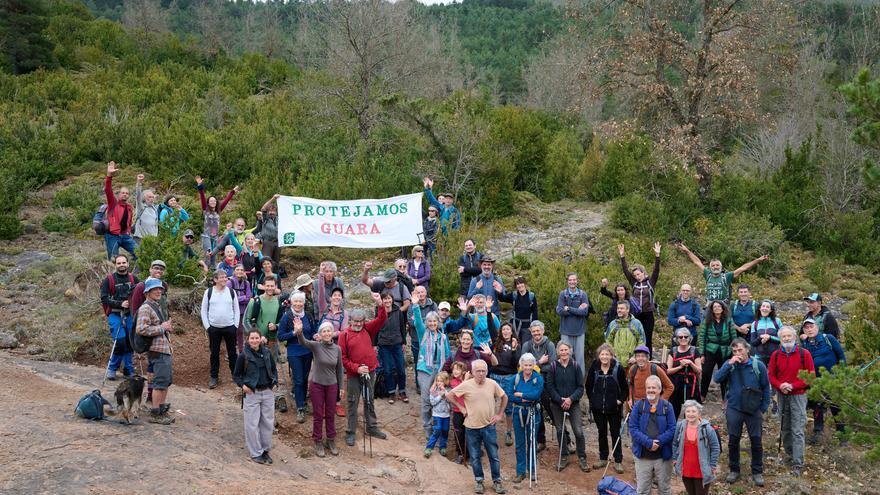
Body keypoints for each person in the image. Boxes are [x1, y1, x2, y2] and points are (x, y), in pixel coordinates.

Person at [712, 338, 770, 487]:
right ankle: (734, 470)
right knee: (733, 441)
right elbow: (717, 378)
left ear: (747, 349)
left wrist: (763, 408)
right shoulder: (730, 365)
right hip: (734, 408)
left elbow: (766, 387)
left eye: (740, 350)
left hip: (754, 409)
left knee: (756, 441)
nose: (738, 353)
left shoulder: (758, 365)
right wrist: (729, 364)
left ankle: (757, 471)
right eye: (734, 351)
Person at [447, 360, 508, 495]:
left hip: (489, 426)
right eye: (478, 371)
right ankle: (479, 481)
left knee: (494, 456)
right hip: (471, 427)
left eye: (483, 371)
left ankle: (497, 481)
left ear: (487, 371)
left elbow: (504, 397)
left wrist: (499, 414)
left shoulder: (492, 383)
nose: (481, 373)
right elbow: (449, 395)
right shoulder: (466, 384)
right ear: (472, 372)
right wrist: (461, 408)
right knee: (475, 457)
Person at [339, 293, 388, 447]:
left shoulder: (368, 329)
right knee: (352, 402)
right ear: (350, 321)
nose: (359, 324)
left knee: (369, 399)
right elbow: (343, 358)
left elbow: (381, 319)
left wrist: (380, 304)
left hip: (370, 371)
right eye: (356, 321)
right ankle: (350, 432)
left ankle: (371, 427)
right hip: (354, 374)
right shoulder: (344, 335)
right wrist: (357, 368)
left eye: (361, 321)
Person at [768, 326, 815, 477]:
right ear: (780, 339)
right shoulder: (776, 355)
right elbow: (771, 375)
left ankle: (798, 462)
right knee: (785, 427)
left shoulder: (804, 354)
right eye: (784, 336)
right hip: (782, 395)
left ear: (794, 337)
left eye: (789, 336)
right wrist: (780, 385)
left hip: (798, 395)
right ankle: (789, 455)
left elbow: (811, 376)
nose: (787, 339)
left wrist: (793, 386)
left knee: (797, 429)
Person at [295, 320, 344, 457]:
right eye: (324, 331)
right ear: (320, 334)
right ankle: (317, 440)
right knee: (318, 414)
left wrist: (341, 387)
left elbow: (340, 369)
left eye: (329, 331)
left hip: (332, 385)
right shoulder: (316, 346)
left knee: (330, 414)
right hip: (317, 385)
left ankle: (330, 439)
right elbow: (303, 342)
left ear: (332, 333)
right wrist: (299, 332)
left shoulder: (337, 349)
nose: (327, 333)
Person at [232, 329, 278, 464]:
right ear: (247, 339)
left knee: (267, 423)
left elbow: (273, 369)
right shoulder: (244, 355)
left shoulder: (267, 352)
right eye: (252, 338)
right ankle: (256, 453)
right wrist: (243, 386)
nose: (254, 340)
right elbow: (236, 375)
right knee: (252, 424)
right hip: (252, 393)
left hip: (267, 392)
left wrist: (274, 381)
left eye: (256, 338)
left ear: (260, 339)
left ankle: (265, 450)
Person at [801, 317, 846, 445]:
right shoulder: (805, 344)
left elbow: (841, 356)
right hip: (815, 382)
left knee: (836, 407)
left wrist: (843, 375)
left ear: (817, 327)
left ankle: (842, 435)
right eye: (806, 328)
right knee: (817, 407)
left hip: (833, 380)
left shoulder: (828, 338)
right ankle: (818, 432)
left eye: (811, 327)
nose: (809, 330)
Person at [135, 277, 175, 424]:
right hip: (157, 350)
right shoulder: (146, 308)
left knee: (165, 381)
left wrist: (165, 327)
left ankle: (161, 410)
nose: (159, 291)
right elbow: (141, 329)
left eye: (160, 289)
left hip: (163, 349)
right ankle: (155, 413)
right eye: (155, 289)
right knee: (160, 382)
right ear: (147, 292)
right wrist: (162, 328)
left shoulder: (155, 306)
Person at [412, 295, 452, 440]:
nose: (432, 323)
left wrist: (446, 372)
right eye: (429, 321)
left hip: (439, 370)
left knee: (439, 397)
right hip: (425, 370)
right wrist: (415, 306)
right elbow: (417, 321)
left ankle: (438, 428)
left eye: (435, 321)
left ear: (438, 322)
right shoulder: (423, 333)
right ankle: (428, 428)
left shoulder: (443, 337)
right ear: (427, 323)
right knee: (426, 399)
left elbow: (448, 355)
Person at [629, 375, 677, 495]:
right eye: (648, 388)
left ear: (660, 390)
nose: (651, 390)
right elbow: (633, 428)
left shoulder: (667, 407)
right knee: (642, 490)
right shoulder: (639, 406)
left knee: (664, 489)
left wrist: (658, 442)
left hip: (663, 456)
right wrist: (648, 442)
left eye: (654, 388)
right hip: (643, 456)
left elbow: (672, 429)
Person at [675, 242, 768, 303]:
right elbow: (697, 262)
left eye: (717, 265)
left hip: (723, 306)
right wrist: (687, 251)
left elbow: (743, 268)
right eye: (713, 265)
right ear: (710, 267)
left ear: (721, 267)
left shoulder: (727, 276)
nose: (715, 267)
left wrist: (758, 260)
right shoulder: (707, 274)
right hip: (710, 306)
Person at [128, 260, 167, 404]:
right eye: (156, 268)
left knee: (155, 364)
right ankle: (151, 395)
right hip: (148, 332)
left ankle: (152, 395)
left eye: (161, 269)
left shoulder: (163, 286)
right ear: (150, 269)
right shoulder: (141, 286)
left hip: (161, 329)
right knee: (152, 363)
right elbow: (135, 310)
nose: (159, 271)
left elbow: (163, 307)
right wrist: (138, 335)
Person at [546, 342, 588, 472]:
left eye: (566, 350)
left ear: (570, 351)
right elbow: (550, 386)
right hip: (557, 404)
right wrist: (560, 400)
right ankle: (564, 456)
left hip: (573, 403)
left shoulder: (575, 366)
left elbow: (580, 387)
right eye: (561, 350)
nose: (564, 352)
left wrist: (570, 399)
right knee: (560, 431)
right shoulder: (553, 366)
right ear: (558, 352)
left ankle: (582, 457)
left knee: (578, 431)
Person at [586, 344, 627, 473]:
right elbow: (588, 385)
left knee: (615, 433)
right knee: (601, 432)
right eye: (602, 354)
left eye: (607, 354)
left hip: (614, 408)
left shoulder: (618, 368)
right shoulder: (594, 367)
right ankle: (603, 458)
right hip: (598, 408)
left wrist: (620, 400)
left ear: (611, 355)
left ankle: (618, 460)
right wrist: (593, 400)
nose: (604, 357)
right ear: (599, 356)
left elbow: (624, 388)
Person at [277, 292, 316, 423]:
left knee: (305, 378)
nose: (298, 304)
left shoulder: (308, 316)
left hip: (308, 351)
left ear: (303, 303)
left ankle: (303, 401)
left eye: (300, 301)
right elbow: (280, 336)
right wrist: (294, 333)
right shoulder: (287, 317)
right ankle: (300, 408)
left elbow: (312, 331)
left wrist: (316, 336)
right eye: (296, 301)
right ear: (291, 303)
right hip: (294, 352)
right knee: (298, 380)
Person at [100, 254, 139, 380]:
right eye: (119, 263)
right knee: (120, 341)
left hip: (130, 314)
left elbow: (140, 294)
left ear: (128, 264)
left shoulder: (134, 279)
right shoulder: (109, 280)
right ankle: (112, 368)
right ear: (115, 265)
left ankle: (128, 369)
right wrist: (120, 303)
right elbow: (104, 298)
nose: (121, 265)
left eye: (123, 263)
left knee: (130, 342)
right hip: (115, 314)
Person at [201, 270, 240, 389]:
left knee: (232, 353)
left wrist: (235, 326)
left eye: (225, 277)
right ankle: (214, 377)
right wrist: (208, 327)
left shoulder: (231, 292)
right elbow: (203, 310)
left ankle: (235, 375)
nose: (224, 279)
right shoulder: (209, 292)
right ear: (215, 279)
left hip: (230, 327)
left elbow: (236, 310)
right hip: (214, 328)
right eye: (221, 277)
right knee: (214, 353)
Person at [619, 242, 661, 351]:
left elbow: (656, 270)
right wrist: (622, 256)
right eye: (635, 275)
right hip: (636, 314)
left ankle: (648, 358)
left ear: (643, 273)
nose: (637, 277)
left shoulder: (650, 282)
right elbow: (625, 271)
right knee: (636, 337)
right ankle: (636, 357)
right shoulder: (634, 283)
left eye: (638, 274)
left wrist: (657, 256)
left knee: (647, 338)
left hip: (648, 314)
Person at [520, 320, 556, 452]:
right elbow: (523, 366)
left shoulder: (549, 345)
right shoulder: (527, 345)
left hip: (546, 381)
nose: (536, 333)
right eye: (534, 331)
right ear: (530, 332)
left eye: (538, 331)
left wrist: (533, 366)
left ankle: (566, 439)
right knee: (536, 410)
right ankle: (541, 441)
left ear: (543, 331)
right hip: (531, 382)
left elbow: (552, 365)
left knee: (552, 410)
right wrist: (540, 362)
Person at [672, 401, 720, 495]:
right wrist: (675, 459)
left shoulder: (707, 428)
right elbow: (674, 443)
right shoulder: (680, 426)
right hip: (686, 470)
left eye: (693, 411)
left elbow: (715, 447)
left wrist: (713, 465)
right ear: (685, 413)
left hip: (702, 470)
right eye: (688, 411)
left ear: (699, 413)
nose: (690, 414)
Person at [510, 353, 543, 484]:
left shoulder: (538, 378)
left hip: (533, 411)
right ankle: (520, 472)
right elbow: (509, 395)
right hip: (518, 412)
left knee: (532, 441)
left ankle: (532, 470)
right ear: (521, 365)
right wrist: (524, 398)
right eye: (525, 365)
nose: (528, 368)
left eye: (530, 365)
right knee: (519, 443)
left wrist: (521, 394)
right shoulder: (515, 378)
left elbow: (536, 395)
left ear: (534, 365)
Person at [195, 175, 238, 268]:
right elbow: (202, 197)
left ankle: (213, 273)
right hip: (206, 236)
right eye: (211, 201)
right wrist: (200, 186)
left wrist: (232, 192)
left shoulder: (218, 210)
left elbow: (226, 200)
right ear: (208, 202)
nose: (213, 202)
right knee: (208, 254)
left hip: (215, 237)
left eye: (214, 201)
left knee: (213, 257)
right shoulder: (205, 210)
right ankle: (205, 271)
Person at [698, 300, 737, 400]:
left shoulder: (728, 320)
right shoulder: (707, 320)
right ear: (711, 309)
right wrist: (702, 354)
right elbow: (702, 337)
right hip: (710, 350)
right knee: (706, 373)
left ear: (723, 308)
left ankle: (725, 398)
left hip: (725, 351)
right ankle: (702, 395)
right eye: (714, 307)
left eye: (719, 306)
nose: (717, 308)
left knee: (725, 374)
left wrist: (734, 352)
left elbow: (733, 337)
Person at [489, 323, 519, 447]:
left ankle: (508, 432)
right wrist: (489, 313)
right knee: (490, 403)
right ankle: (490, 430)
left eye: (508, 329)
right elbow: (491, 328)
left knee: (508, 406)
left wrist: (514, 349)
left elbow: (516, 363)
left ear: (511, 331)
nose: (506, 331)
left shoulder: (515, 344)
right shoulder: (496, 343)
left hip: (509, 377)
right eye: (504, 329)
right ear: (501, 331)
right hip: (494, 376)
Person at [375, 292, 408, 405]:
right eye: (385, 299)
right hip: (384, 345)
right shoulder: (378, 311)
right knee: (388, 370)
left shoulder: (398, 311)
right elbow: (376, 328)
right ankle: (391, 392)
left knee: (401, 369)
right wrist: (375, 344)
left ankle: (402, 391)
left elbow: (402, 327)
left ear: (392, 300)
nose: (387, 301)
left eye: (389, 298)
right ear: (382, 300)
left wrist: (404, 342)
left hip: (397, 343)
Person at [555, 272, 592, 369]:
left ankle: (580, 378)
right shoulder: (563, 294)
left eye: (574, 280)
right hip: (565, 331)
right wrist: (577, 310)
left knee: (580, 359)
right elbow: (560, 311)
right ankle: (566, 378)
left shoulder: (583, 294)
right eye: (570, 280)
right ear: (567, 281)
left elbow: (584, 312)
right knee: (566, 357)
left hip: (579, 331)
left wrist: (569, 309)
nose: (572, 282)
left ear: (577, 281)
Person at [361, 263, 412, 331]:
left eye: (388, 281)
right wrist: (366, 270)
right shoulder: (380, 283)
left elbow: (407, 304)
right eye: (384, 280)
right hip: (381, 316)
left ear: (395, 279)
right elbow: (365, 281)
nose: (385, 283)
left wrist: (395, 312)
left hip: (397, 318)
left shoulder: (402, 288)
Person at [103, 161, 137, 261]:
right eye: (123, 193)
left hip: (125, 236)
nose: (125, 195)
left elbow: (129, 222)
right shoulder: (113, 203)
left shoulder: (129, 207)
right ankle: (113, 271)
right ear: (119, 194)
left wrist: (128, 231)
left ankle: (134, 268)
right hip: (112, 235)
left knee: (140, 253)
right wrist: (109, 176)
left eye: (127, 193)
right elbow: (108, 190)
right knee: (114, 259)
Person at [666, 328, 703, 420]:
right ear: (677, 339)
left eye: (686, 337)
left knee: (691, 410)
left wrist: (691, 363)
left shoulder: (694, 351)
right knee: (674, 409)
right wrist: (680, 367)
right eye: (680, 337)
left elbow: (699, 370)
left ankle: (690, 427)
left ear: (689, 338)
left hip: (691, 385)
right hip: (676, 384)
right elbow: (668, 370)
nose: (683, 338)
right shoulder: (673, 351)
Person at [408, 285, 438, 394]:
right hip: (417, 339)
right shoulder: (412, 306)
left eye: (422, 292)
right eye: (418, 292)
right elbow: (412, 323)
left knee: (432, 363)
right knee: (418, 363)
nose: (420, 294)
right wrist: (427, 321)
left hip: (432, 339)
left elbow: (436, 320)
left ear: (426, 292)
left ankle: (432, 384)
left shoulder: (432, 304)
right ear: (415, 294)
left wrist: (420, 321)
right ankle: (419, 386)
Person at [495, 276, 538, 344]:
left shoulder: (531, 296)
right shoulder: (514, 295)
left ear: (525, 284)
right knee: (514, 344)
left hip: (527, 326)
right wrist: (500, 292)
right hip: (515, 325)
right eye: (517, 284)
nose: (520, 285)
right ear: (516, 286)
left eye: (521, 283)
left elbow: (535, 311)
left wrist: (533, 326)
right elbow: (502, 299)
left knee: (525, 345)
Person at [605, 300, 646, 366]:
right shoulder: (612, 324)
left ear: (628, 310)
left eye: (622, 308)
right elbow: (608, 341)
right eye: (618, 308)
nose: (619, 310)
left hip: (632, 363)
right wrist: (612, 355)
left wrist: (635, 357)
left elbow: (642, 341)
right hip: (616, 363)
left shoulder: (636, 323)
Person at [424, 372, 452, 458]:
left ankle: (442, 447)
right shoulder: (433, 390)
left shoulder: (448, 390)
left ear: (446, 381)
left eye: (441, 381)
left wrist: (445, 393)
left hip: (446, 415)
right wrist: (440, 396)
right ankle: (429, 447)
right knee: (437, 430)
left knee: (445, 430)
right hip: (437, 415)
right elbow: (432, 402)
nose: (439, 383)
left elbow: (450, 401)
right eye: (438, 381)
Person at [228, 264, 253, 353]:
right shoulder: (229, 282)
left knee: (240, 331)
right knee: (232, 331)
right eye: (237, 269)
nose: (240, 271)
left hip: (242, 311)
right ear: (234, 271)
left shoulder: (246, 283)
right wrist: (243, 298)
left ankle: (241, 350)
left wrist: (238, 299)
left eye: (242, 270)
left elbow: (249, 298)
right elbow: (229, 298)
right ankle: (231, 350)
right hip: (231, 311)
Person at [449, 361, 470, 464]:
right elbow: (459, 392)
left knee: (469, 433)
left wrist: (466, 380)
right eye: (454, 369)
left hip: (469, 411)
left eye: (458, 369)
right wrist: (465, 380)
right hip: (458, 411)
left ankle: (470, 453)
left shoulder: (469, 381)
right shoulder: (453, 382)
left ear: (464, 371)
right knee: (459, 433)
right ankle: (460, 453)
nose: (455, 371)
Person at [132, 174, 159, 245]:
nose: (151, 199)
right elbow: (138, 196)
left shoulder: (154, 209)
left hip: (152, 239)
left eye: (152, 197)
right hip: (140, 238)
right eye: (149, 197)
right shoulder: (141, 207)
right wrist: (139, 183)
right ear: (144, 198)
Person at [255, 195, 281, 265]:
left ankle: (275, 272)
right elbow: (263, 209)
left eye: (274, 211)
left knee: (276, 263)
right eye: (270, 211)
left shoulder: (279, 219)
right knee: (266, 261)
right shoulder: (266, 218)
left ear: (276, 212)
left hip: (277, 243)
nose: (272, 212)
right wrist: (273, 198)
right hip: (267, 243)